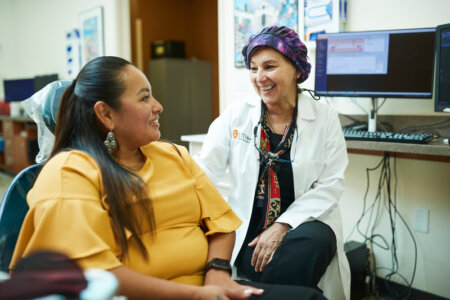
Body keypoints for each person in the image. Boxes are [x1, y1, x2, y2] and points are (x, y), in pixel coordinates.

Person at [10, 56, 326, 300]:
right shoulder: (70, 172)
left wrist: (217, 273)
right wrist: (199, 294)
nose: (158, 106)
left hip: (205, 288)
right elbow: (97, 273)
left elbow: (222, 226)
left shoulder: (172, 155)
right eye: (144, 98)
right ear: (106, 114)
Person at [196, 26, 351, 299]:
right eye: (253, 68)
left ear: (296, 69)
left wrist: (282, 226)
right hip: (250, 233)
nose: (260, 77)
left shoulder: (324, 117)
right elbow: (205, 171)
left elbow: (332, 182)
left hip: (300, 230)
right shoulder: (236, 115)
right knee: (292, 276)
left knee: (316, 240)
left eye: (269, 66)